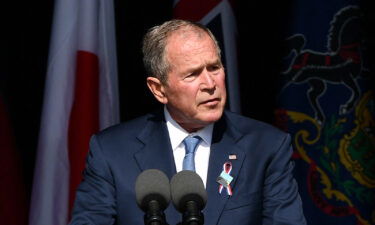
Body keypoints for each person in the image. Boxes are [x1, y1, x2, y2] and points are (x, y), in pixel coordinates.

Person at [70, 19, 306, 225]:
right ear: (158, 89)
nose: (210, 84)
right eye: (192, 74)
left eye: (214, 68)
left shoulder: (266, 146)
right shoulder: (111, 151)